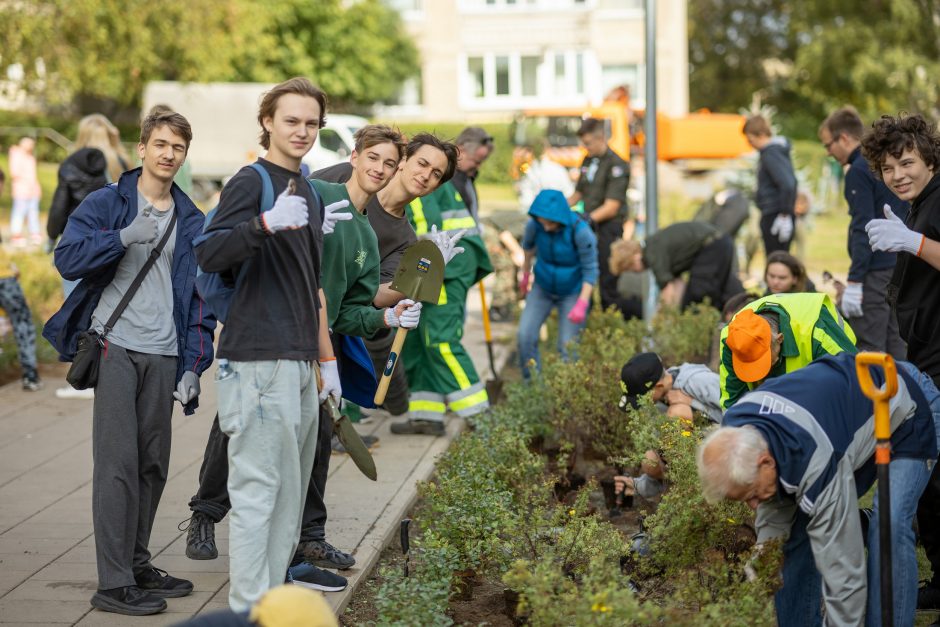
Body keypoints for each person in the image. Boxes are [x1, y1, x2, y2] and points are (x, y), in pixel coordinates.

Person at [182, 133, 461, 566]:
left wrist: (417, 283)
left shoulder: (395, 234)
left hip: (326, 331)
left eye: (436, 173)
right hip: (271, 324)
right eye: (420, 163)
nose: (424, 175)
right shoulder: (331, 185)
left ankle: (307, 536)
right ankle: (207, 511)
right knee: (238, 424)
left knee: (316, 435)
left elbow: (370, 295)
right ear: (397, 160)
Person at [43, 109, 216, 616]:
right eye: (160, 144)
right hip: (115, 347)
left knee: (152, 466)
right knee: (117, 466)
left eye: (178, 148)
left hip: (164, 355)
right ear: (141, 149)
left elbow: (199, 299)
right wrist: (120, 237)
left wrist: (193, 365)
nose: (168, 154)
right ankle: (113, 583)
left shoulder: (192, 219)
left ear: (185, 156)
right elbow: (67, 258)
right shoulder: (108, 201)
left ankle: (137, 563)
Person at [192, 77, 340, 612]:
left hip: (297, 360)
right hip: (257, 360)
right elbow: (207, 255)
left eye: (311, 123)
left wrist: (325, 363)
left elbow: (308, 286)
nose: (302, 131)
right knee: (258, 494)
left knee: (288, 499)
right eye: (291, 121)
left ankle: (271, 608)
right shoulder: (251, 182)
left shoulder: (307, 189)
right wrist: (262, 223)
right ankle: (247, 612)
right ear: (268, 124)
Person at [698, 353, 940, 627]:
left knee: (888, 526)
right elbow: (775, 510)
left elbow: (844, 573)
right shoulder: (738, 429)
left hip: (906, 402)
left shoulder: (813, 459)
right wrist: (767, 550)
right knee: (791, 538)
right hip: (845, 416)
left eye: (752, 495)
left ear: (765, 461)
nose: (753, 505)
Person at [861, 112, 940, 611]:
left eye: (907, 163)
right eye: (888, 169)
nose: (898, 176)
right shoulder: (920, 205)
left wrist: (915, 243)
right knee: (934, 484)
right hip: (926, 351)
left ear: (930, 158)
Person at [395, 166, 492, 435]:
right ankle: (426, 415)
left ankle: (482, 417)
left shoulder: (416, 181)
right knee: (417, 339)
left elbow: (426, 240)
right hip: (436, 264)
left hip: (446, 265)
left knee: (439, 340)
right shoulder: (410, 173)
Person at [819, 106, 907, 357]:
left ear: (844, 138)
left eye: (828, 145)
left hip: (876, 269)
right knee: (896, 339)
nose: (828, 152)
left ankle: (874, 397)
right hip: (898, 260)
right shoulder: (881, 163)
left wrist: (855, 280)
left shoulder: (858, 170)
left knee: (871, 345)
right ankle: (902, 394)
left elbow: (863, 227)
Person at [718, 292, 856, 410]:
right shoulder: (732, 337)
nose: (759, 375)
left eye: (762, 360)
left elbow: (854, 380)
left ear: (779, 339)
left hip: (829, 365)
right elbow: (731, 402)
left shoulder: (817, 333)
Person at [614, 352, 722, 500]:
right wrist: (637, 486)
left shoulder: (698, 380)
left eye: (641, 398)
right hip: (696, 458)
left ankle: (709, 493)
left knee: (678, 413)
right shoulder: (657, 404)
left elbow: (741, 411)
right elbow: (664, 456)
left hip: (727, 446)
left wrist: (690, 403)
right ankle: (688, 492)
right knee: (650, 460)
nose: (641, 404)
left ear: (658, 386)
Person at [517, 189, 597, 378]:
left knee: (567, 346)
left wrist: (582, 303)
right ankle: (533, 386)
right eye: (542, 222)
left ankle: (566, 392)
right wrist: (526, 275)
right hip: (542, 288)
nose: (545, 228)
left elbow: (590, 269)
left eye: (550, 223)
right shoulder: (535, 225)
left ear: (560, 218)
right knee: (525, 337)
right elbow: (528, 249)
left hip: (572, 292)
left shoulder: (581, 231)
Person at [566, 118, 638, 319]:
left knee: (608, 280)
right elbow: (578, 193)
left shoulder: (618, 165)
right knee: (585, 277)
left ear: (601, 138)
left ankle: (611, 323)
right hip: (588, 225)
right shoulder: (588, 161)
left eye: (588, 143)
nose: (585, 147)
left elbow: (612, 206)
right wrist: (559, 208)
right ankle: (586, 321)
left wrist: (584, 220)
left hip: (608, 228)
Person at [609, 221, 743, 312]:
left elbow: (668, 291)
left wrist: (664, 318)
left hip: (712, 247)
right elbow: (677, 285)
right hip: (721, 243)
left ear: (634, 258)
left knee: (698, 299)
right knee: (720, 294)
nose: (636, 273)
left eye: (631, 269)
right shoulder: (653, 246)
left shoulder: (652, 254)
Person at [743, 114, 798, 256]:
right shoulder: (772, 152)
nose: (750, 145)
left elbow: (788, 183)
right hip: (775, 212)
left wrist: (784, 214)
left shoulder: (771, 154)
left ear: (761, 135)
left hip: (775, 214)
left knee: (776, 258)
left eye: (751, 140)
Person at [450, 127, 493, 224]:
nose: (478, 167)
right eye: (476, 161)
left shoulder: (466, 178)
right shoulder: (447, 182)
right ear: (459, 151)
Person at [9, 137, 42, 247]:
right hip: (21, 190)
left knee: (33, 212)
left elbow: (33, 174)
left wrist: (37, 187)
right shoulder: (16, 155)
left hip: (33, 190)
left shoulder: (30, 157)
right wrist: (27, 183)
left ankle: (34, 233)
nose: (32, 146)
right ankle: (16, 235)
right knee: (19, 212)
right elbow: (14, 173)